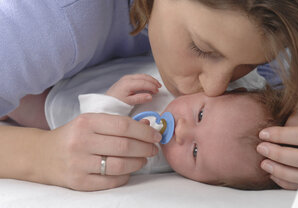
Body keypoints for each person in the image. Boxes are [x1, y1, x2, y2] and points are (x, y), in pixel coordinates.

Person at [0, 0, 298, 191]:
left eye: (248, 64)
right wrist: (39, 155)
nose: (215, 89)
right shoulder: (43, 9)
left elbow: (271, 94)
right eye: (202, 48)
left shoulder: (251, 4)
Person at [8, 56, 281, 190]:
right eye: (200, 115)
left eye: (195, 152)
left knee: (17, 101)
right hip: (80, 68)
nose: (182, 131)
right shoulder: (226, 85)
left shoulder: (149, 155)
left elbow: (97, 138)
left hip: (58, 110)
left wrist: (111, 105)